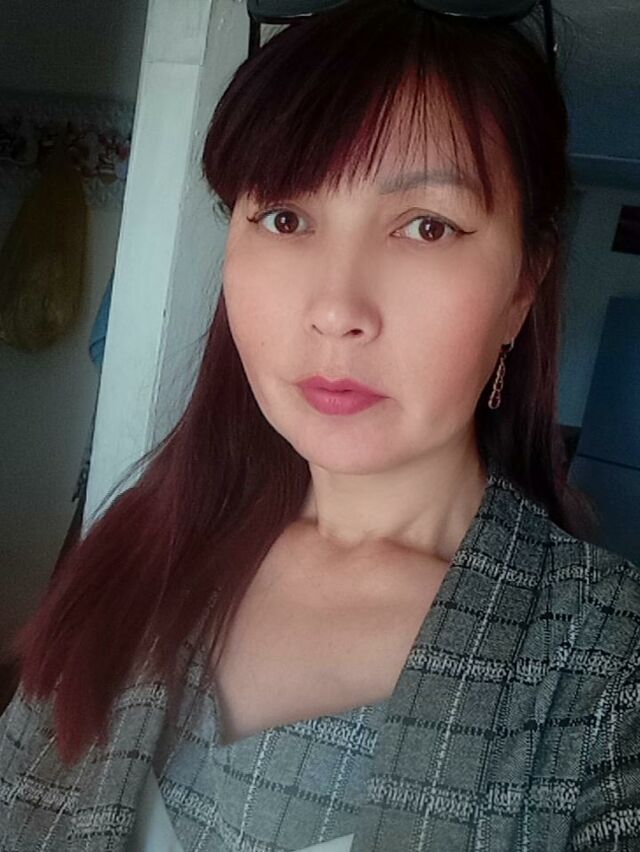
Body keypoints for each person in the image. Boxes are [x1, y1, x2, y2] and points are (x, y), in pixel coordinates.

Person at [1, 1, 639, 850]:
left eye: (426, 226)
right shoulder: (137, 548)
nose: (337, 310)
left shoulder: (605, 666)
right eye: (286, 218)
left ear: (522, 286)